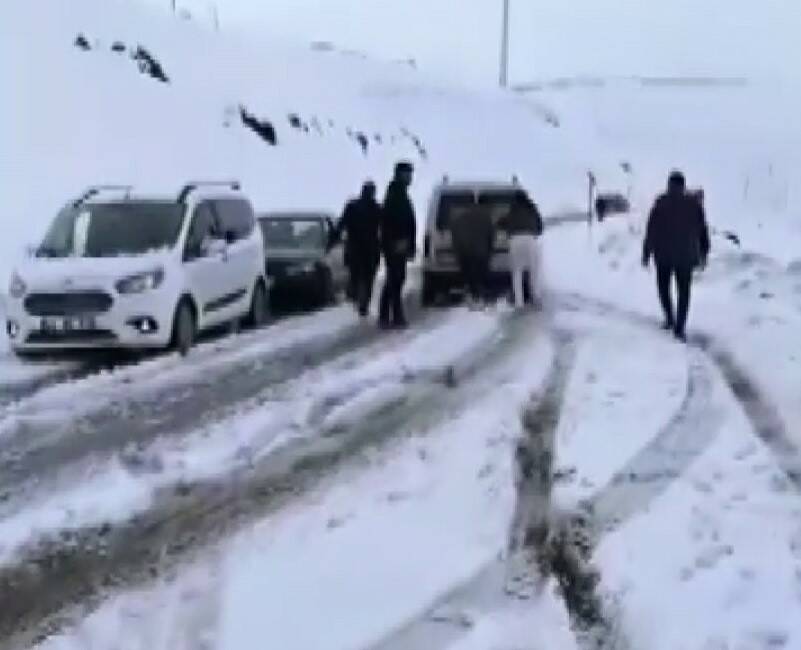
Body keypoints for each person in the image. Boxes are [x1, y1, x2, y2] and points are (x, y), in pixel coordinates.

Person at [642, 171, 711, 342]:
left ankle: (669, 318)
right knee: (684, 293)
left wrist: (646, 253)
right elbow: (702, 230)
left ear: (669, 185)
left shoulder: (661, 204)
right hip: (685, 257)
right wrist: (704, 252)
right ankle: (679, 327)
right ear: (683, 185)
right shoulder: (694, 205)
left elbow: (651, 231)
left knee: (664, 289)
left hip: (663, 256)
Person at [333, 181, 382, 316]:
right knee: (368, 277)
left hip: (354, 247)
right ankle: (363, 302)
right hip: (370, 249)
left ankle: (356, 295)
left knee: (356, 274)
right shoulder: (376, 208)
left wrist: (334, 238)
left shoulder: (352, 206)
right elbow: (384, 228)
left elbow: (341, 224)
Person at [379, 161, 416, 328]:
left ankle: (387, 315)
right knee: (395, 279)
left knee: (395, 279)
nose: (410, 178)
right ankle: (394, 316)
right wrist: (397, 242)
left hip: (398, 243)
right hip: (395, 244)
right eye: (407, 174)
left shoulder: (399, 193)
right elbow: (391, 221)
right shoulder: (396, 194)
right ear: (400, 174)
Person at [502, 190, 544, 309]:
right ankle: (535, 297)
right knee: (533, 271)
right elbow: (541, 227)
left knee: (517, 272)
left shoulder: (512, 210)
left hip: (515, 241)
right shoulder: (532, 208)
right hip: (531, 240)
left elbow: (503, 223)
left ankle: (519, 302)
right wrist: (534, 231)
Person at [450, 202, 494, 307]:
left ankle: (471, 296)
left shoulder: (459, 219)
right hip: (481, 252)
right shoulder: (486, 218)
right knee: (480, 275)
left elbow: (455, 238)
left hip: (465, 252)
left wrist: (457, 253)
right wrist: (490, 251)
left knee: (468, 276)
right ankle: (480, 297)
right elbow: (491, 236)